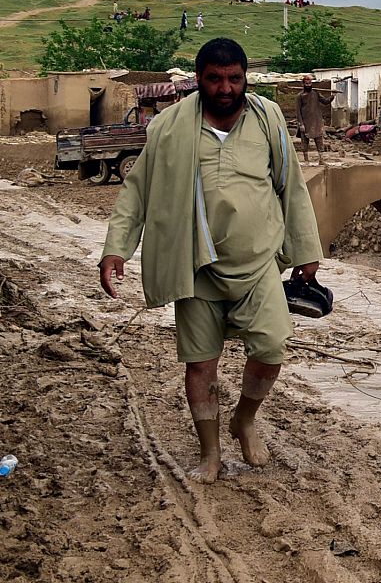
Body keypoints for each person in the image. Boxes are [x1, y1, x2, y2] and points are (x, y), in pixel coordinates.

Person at [99, 38, 321, 483]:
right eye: (215, 79)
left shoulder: (268, 120)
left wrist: (306, 251)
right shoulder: (169, 128)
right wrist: (116, 247)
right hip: (195, 263)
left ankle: (244, 419)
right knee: (201, 363)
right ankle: (211, 451)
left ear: (245, 79)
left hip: (259, 262)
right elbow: (137, 191)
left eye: (234, 78)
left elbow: (291, 186)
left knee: (273, 345)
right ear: (198, 79)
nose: (225, 88)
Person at [296, 75, 335, 165]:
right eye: (306, 83)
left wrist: (332, 96)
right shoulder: (300, 96)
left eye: (310, 83)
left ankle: (321, 160)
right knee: (305, 142)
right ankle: (306, 160)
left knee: (319, 140)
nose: (308, 85)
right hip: (305, 122)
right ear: (303, 84)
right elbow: (298, 111)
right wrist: (301, 124)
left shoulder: (316, 93)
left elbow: (325, 102)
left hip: (316, 121)